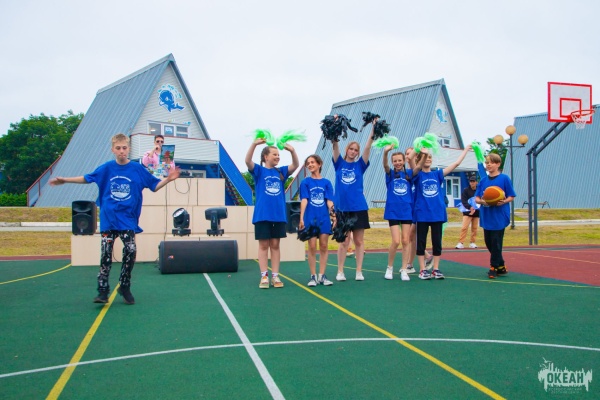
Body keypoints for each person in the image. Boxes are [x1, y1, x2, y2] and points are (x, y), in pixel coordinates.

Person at [49, 133, 180, 304]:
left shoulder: (137, 169)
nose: (121, 151)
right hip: (109, 218)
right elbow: (87, 178)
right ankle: (102, 290)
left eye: (124, 148)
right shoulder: (106, 168)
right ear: (113, 150)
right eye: (118, 148)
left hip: (127, 219)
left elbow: (154, 185)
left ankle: (124, 285)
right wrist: (65, 180)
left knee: (131, 249)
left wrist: (169, 179)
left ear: (129, 149)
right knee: (106, 254)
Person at [245, 138, 299, 289]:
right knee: (263, 245)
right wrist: (254, 144)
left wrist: (292, 151)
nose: (277, 157)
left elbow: (295, 165)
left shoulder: (281, 171)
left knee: (275, 244)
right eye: (274, 154)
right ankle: (264, 276)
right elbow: (247, 161)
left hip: (278, 215)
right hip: (262, 215)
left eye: (278, 155)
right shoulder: (259, 171)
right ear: (265, 157)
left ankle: (275, 276)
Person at [413, 145, 471, 280]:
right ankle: (422, 270)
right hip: (422, 214)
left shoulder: (437, 174)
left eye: (430, 157)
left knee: (437, 242)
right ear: (420, 160)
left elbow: (456, 164)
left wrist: (466, 150)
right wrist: (423, 153)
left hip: (437, 213)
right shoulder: (417, 174)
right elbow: (415, 167)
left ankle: (436, 269)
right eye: (425, 157)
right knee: (421, 242)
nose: (428, 159)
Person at [332, 120, 375, 281]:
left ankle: (358, 271)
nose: (353, 151)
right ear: (347, 149)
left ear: (357, 153)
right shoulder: (339, 164)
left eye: (356, 150)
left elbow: (368, 147)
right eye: (351, 148)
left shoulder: (360, 165)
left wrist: (373, 129)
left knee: (358, 241)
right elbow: (334, 145)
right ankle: (340, 271)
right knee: (343, 241)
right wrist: (335, 126)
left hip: (358, 208)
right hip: (342, 209)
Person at [382, 145, 423, 281]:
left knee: (406, 240)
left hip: (406, 211)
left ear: (404, 161)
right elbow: (385, 165)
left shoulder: (409, 173)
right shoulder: (390, 174)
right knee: (396, 241)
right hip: (393, 211)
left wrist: (422, 152)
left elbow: (418, 167)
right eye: (395, 161)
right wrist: (386, 152)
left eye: (400, 160)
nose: (397, 163)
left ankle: (404, 269)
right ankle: (389, 267)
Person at [474, 153, 516, 279]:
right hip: (487, 215)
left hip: (499, 215)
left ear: (498, 164)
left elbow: (511, 196)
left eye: (491, 163)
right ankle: (501, 266)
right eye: (487, 163)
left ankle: (493, 267)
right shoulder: (483, 180)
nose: (489, 165)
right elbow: (477, 198)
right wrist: (483, 202)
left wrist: (504, 201)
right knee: (489, 243)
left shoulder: (504, 178)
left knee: (496, 242)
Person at [299, 154, 336, 287]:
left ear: (319, 164)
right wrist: (301, 218)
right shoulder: (305, 182)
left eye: (312, 162)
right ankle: (313, 276)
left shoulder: (327, 183)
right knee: (312, 246)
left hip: (323, 218)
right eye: (308, 163)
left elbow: (329, 201)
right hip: (310, 218)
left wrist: (334, 216)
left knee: (324, 245)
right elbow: (304, 200)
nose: (310, 165)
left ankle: (322, 275)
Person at [405, 147, 434, 273]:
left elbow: (411, 160)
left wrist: (419, 148)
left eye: (411, 153)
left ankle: (412, 263)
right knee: (411, 237)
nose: (408, 155)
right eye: (406, 153)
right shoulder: (406, 171)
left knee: (411, 235)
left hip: (418, 209)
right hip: (408, 208)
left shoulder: (418, 171)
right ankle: (418, 260)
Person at [456, 176, 480, 249]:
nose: (472, 183)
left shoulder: (479, 190)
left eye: (473, 181)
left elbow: (481, 199)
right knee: (464, 227)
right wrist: (470, 207)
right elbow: (464, 201)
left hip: (476, 212)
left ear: (476, 182)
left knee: (474, 228)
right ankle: (461, 242)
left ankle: (472, 242)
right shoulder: (466, 190)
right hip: (467, 212)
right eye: (471, 181)